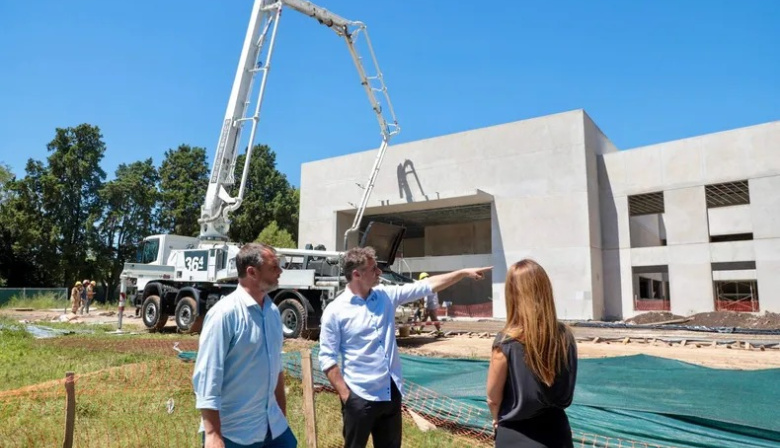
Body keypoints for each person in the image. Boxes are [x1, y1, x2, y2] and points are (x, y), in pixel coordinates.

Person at [318, 246, 492, 448]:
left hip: (390, 392)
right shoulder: (336, 311)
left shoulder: (385, 296)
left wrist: (462, 273)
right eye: (373, 269)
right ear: (356, 274)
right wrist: (348, 397)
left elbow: (427, 285)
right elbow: (327, 359)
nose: (379, 272)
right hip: (359, 396)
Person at [192, 243, 297, 448]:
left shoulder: (273, 313)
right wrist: (213, 432)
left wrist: (281, 416)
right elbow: (207, 374)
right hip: (235, 432)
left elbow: (276, 368)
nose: (280, 271)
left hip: (272, 426)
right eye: (274, 267)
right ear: (252, 272)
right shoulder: (224, 314)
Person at [486, 259, 578, 448]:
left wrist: (496, 420)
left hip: (514, 435)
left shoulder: (506, 343)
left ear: (512, 294)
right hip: (558, 433)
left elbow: (493, 399)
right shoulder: (565, 337)